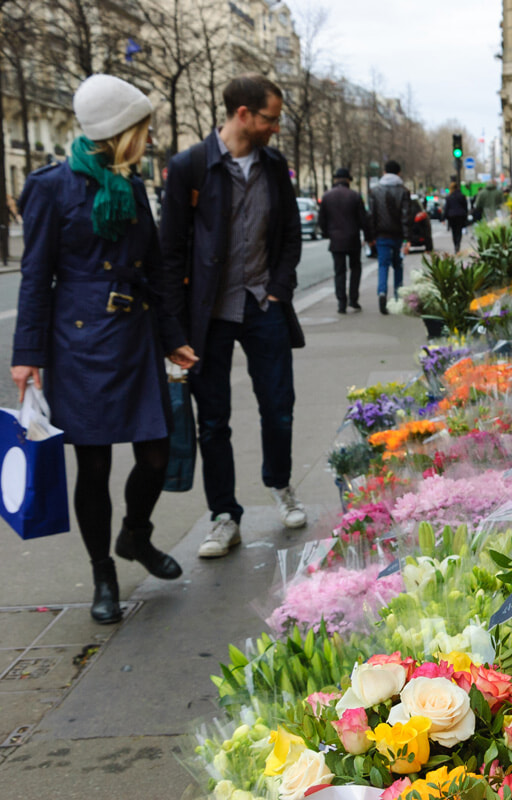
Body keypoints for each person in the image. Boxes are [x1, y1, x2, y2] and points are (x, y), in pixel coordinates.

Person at [10, 74, 198, 624]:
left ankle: (135, 535)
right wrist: (28, 354)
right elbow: (34, 275)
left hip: (135, 336)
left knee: (157, 454)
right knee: (92, 469)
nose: (146, 135)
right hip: (78, 344)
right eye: (140, 126)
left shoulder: (134, 185)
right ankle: (103, 573)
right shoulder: (51, 187)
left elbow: (157, 270)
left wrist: (174, 338)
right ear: (120, 130)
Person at [159, 74, 307, 559]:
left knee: (278, 407)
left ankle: (280, 486)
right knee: (213, 420)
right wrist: (174, 330)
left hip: (263, 305)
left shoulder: (274, 165)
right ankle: (224, 516)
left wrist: (280, 290)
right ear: (243, 114)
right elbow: (171, 251)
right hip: (210, 316)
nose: (275, 127)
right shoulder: (190, 167)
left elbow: (289, 235)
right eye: (270, 118)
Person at [318, 167, 370, 313]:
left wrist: (327, 234)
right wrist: (368, 237)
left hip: (336, 240)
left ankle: (341, 302)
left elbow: (322, 220)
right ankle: (353, 299)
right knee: (355, 269)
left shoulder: (327, 196)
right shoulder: (354, 196)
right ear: (348, 180)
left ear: (335, 180)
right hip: (353, 239)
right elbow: (363, 220)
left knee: (339, 271)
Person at [367, 160, 412, 314]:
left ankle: (382, 292)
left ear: (384, 172)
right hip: (398, 235)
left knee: (383, 265)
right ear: (399, 173)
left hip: (381, 235)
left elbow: (371, 216)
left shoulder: (374, 191)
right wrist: (407, 239)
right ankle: (398, 296)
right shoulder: (404, 191)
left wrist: (371, 237)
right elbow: (406, 217)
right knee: (398, 265)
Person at [444, 182, 470, 253]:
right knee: (459, 231)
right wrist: (465, 215)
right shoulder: (462, 196)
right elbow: (465, 207)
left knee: (454, 231)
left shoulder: (449, 197)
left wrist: (444, 217)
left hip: (452, 216)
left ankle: (456, 244)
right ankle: (458, 244)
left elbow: (446, 208)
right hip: (460, 215)